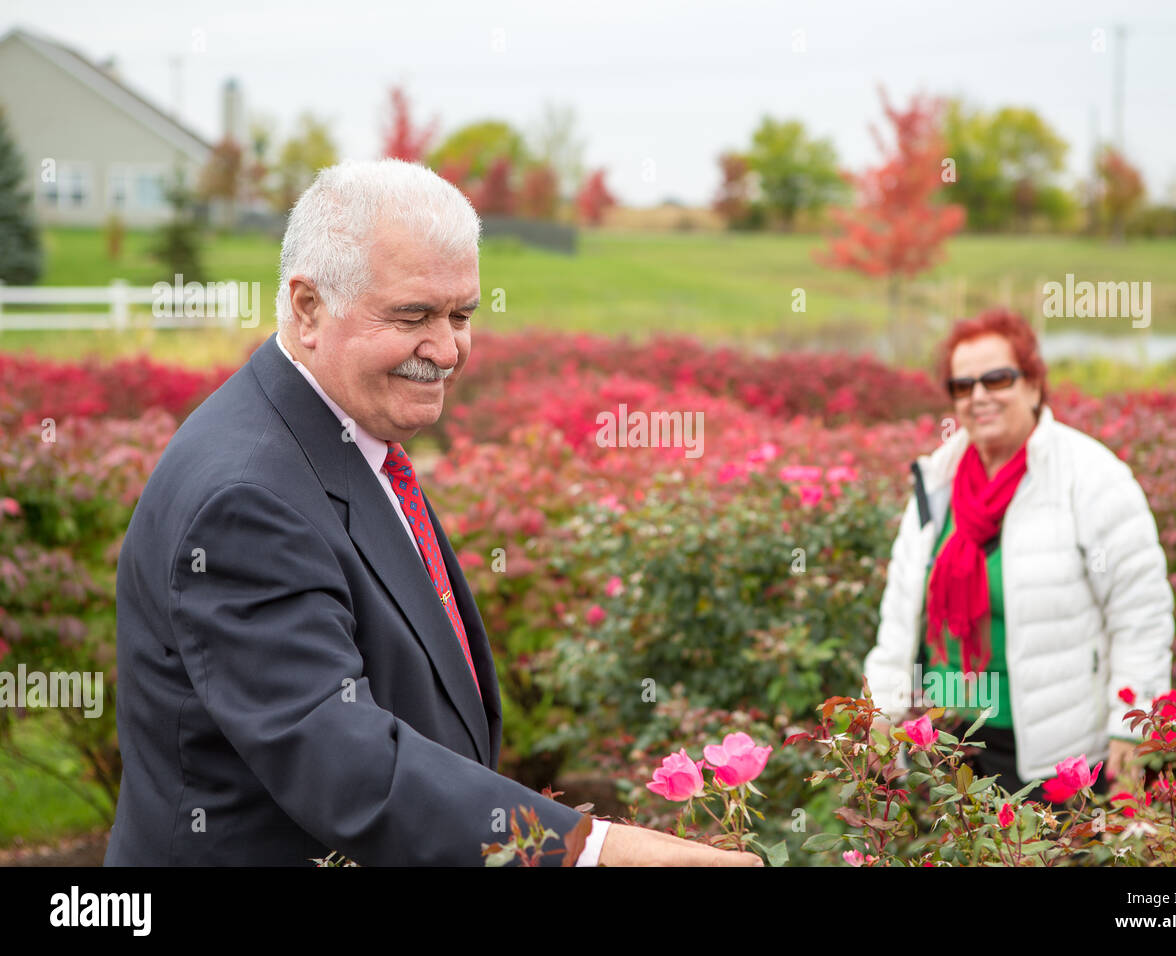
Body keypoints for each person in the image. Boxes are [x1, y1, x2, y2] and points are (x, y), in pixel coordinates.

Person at [105, 159, 759, 866]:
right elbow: (345, 765)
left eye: (462, 315)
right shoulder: (246, 501)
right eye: (413, 316)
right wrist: (589, 852)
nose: (447, 350)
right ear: (307, 308)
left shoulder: (341, 436)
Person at [863, 308, 1174, 801]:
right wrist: (881, 714)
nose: (979, 396)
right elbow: (900, 618)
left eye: (997, 379)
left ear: (1033, 384)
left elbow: (1140, 615)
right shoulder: (937, 483)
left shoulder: (1091, 476)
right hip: (946, 741)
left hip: (1053, 754)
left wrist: (1131, 727)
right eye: (962, 386)